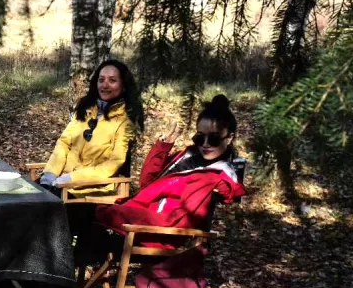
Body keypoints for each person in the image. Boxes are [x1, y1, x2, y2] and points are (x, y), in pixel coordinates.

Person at [94, 94, 246, 237]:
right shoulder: (188, 157)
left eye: (213, 139)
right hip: (132, 220)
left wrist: (118, 216)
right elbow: (147, 183)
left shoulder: (217, 176)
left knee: (82, 216)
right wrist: (163, 146)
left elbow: (174, 221)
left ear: (229, 138)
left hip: (145, 233)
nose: (205, 145)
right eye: (199, 138)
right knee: (78, 216)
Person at [39, 59, 143, 195]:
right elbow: (64, 143)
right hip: (59, 183)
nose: (105, 85)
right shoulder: (86, 110)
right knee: (25, 196)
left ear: (123, 86)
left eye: (112, 80)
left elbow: (112, 164)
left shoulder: (125, 123)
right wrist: (50, 175)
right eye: (101, 80)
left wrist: (71, 179)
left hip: (90, 191)